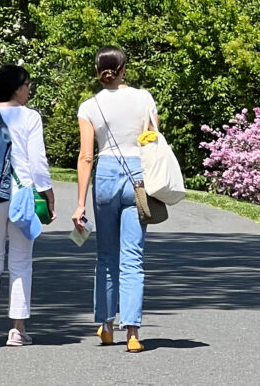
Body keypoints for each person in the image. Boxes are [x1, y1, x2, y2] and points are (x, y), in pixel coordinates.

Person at [73, 46, 158, 353]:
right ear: (124, 69)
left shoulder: (89, 106)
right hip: (138, 176)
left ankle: (106, 326)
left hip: (106, 174)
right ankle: (133, 332)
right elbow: (153, 140)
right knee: (132, 257)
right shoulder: (144, 98)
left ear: (98, 71)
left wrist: (80, 203)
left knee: (106, 257)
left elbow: (85, 157)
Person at [0, 65, 54, 347]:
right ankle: (17, 329)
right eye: (28, 84)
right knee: (20, 261)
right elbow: (37, 161)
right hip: (21, 195)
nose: (30, 89)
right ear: (17, 88)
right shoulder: (29, 117)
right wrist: (48, 193)